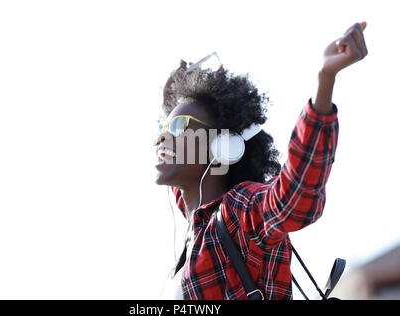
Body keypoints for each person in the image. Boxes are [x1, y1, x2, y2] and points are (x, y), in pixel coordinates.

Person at [153, 22, 368, 300]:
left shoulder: (239, 214)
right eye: (163, 128)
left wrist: (325, 79)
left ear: (222, 147)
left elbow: (295, 195)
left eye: (178, 125)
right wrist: (169, 108)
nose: (162, 137)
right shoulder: (195, 227)